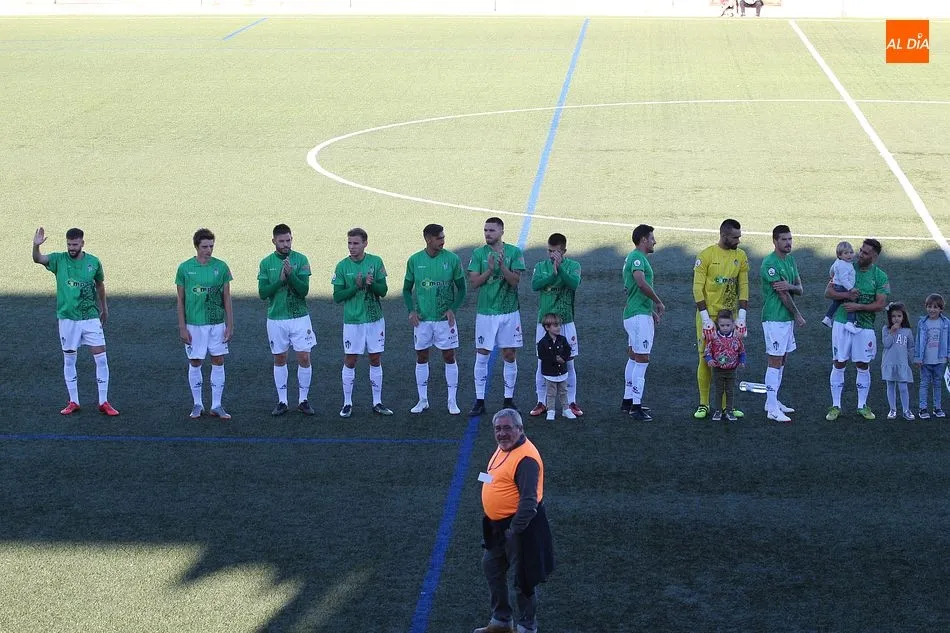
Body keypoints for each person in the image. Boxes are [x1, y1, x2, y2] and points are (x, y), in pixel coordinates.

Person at [474, 408, 554, 633]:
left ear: (520, 429)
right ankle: (501, 621)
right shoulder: (504, 448)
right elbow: (498, 475)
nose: (502, 433)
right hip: (497, 527)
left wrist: (513, 530)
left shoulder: (526, 458)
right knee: (491, 567)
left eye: (507, 428)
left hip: (519, 529)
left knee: (523, 580)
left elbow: (529, 503)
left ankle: (527, 627)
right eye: (498, 429)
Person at [32, 227, 119, 416]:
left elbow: (100, 284)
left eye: (75, 244)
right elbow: (38, 259)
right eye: (69, 244)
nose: (72, 248)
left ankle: (103, 401)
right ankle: (73, 401)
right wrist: (36, 246)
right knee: (69, 358)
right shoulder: (59, 260)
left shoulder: (94, 262)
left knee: (101, 357)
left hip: (90, 317)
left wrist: (104, 307)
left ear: (82, 244)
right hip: (67, 319)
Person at [403, 223, 467, 415]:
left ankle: (452, 401)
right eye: (439, 238)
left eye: (443, 237)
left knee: (449, 356)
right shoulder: (414, 260)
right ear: (428, 239)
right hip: (422, 321)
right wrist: (411, 311)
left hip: (443, 321)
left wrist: (452, 309)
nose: (443, 241)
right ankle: (422, 400)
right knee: (421, 357)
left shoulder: (452, 259)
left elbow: (462, 288)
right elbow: (406, 289)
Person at [824, 238, 890, 421]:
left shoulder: (880, 276)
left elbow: (880, 304)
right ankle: (835, 405)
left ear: (874, 256)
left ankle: (862, 405)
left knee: (863, 364)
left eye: (865, 253)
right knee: (839, 362)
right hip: (841, 324)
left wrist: (857, 307)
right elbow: (828, 292)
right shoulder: (845, 266)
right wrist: (846, 295)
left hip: (865, 327)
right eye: (860, 250)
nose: (860, 254)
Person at [468, 217, 526, 416]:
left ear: (502, 231)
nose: (487, 234)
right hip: (486, 313)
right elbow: (474, 282)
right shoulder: (478, 254)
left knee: (509, 354)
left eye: (491, 230)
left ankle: (508, 399)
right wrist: (490, 270)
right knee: (482, 354)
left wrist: (501, 268)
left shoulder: (514, 252)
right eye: (485, 230)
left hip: (509, 312)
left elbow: (515, 281)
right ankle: (479, 400)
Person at [332, 227, 392, 417]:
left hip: (375, 320)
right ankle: (347, 403)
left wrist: (371, 284)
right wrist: (355, 287)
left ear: (365, 243)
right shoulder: (342, 266)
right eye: (349, 243)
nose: (352, 247)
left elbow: (383, 291)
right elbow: (337, 296)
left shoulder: (375, 262)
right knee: (350, 360)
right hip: (353, 321)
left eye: (356, 243)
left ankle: (377, 402)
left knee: (375, 359)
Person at [692, 218, 749, 419]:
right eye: (735, 237)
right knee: (705, 358)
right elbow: (697, 288)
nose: (739, 241)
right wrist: (706, 317)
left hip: (729, 318)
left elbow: (744, 286)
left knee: (730, 357)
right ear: (724, 235)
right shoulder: (706, 256)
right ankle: (703, 404)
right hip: (708, 316)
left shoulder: (740, 256)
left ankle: (727, 408)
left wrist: (741, 316)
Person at [175, 228, 234, 420]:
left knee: (218, 360)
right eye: (205, 247)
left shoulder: (222, 267)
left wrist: (230, 325)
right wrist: (182, 327)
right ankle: (197, 403)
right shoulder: (185, 268)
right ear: (196, 246)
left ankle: (216, 405)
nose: (209, 250)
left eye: (211, 246)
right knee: (196, 361)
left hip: (217, 323)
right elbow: (180, 300)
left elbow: (227, 298)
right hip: (194, 324)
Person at [258, 224, 316, 417]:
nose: (285, 244)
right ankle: (282, 400)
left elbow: (304, 291)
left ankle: (303, 400)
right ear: (273, 241)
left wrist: (291, 276)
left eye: (288, 240)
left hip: (300, 317)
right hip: (276, 318)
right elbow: (263, 293)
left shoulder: (301, 260)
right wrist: (281, 280)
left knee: (304, 357)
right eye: (281, 241)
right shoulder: (266, 263)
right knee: (279, 358)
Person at [529, 233, 583, 419]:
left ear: (564, 251)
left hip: (566, 322)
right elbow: (535, 285)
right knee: (541, 362)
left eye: (556, 251)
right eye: (550, 251)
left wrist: (559, 270)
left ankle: (571, 402)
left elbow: (574, 284)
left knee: (569, 362)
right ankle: (542, 402)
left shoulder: (574, 266)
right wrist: (553, 271)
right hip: (544, 324)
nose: (553, 255)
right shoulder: (540, 267)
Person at [760, 225, 806, 423]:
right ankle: (771, 409)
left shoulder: (791, 259)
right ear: (774, 241)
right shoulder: (770, 264)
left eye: (790, 239)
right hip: (775, 319)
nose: (788, 243)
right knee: (775, 361)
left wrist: (790, 285)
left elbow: (799, 289)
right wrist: (797, 315)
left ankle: (773, 401)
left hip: (784, 320)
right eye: (784, 239)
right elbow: (783, 294)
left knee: (782, 360)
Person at [622, 224, 665, 422]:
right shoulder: (637, 258)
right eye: (652, 238)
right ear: (643, 240)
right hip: (638, 316)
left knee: (633, 357)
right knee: (642, 359)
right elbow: (640, 282)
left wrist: (650, 311)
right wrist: (657, 301)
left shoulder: (633, 257)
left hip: (636, 313)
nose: (654, 241)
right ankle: (636, 406)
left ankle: (628, 401)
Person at [703, 310, 746, 421]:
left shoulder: (737, 338)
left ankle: (729, 410)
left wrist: (742, 361)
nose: (725, 328)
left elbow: (742, 351)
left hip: (732, 370)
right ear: (718, 325)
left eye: (728, 325)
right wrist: (709, 360)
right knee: (719, 391)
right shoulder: (713, 338)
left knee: (730, 391)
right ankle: (718, 411)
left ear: (733, 324)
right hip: (718, 370)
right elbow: (707, 352)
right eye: (722, 325)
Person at [913, 293, 950, 419]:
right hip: (926, 360)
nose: (931, 309)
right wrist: (918, 357)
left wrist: (948, 355)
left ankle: (937, 408)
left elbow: (949, 340)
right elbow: (918, 340)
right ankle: (923, 409)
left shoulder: (945, 323)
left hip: (940, 359)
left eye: (935, 307)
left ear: (941, 309)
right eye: (929, 306)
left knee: (937, 383)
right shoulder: (922, 323)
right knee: (924, 383)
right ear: (926, 307)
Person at [536, 313, 575, 421]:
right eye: (556, 326)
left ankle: (566, 409)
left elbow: (568, 350)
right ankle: (551, 410)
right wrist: (555, 359)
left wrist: (563, 358)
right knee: (551, 393)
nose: (559, 328)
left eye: (559, 325)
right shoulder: (542, 342)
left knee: (563, 391)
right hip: (550, 373)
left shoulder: (562, 339)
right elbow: (542, 355)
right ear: (547, 327)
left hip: (562, 371)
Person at [882, 302, 915, 420]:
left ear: (903, 317)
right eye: (893, 316)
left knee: (903, 387)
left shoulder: (907, 331)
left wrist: (914, 360)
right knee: (890, 386)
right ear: (890, 317)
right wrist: (891, 332)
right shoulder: (886, 329)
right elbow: (886, 344)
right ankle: (892, 409)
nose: (896, 319)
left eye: (899, 316)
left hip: (902, 364)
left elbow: (911, 347)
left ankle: (906, 410)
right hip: (889, 363)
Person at [821, 241, 858, 332]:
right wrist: (851, 289)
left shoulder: (838, 262)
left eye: (851, 252)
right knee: (852, 302)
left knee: (836, 303)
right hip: (843, 287)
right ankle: (850, 322)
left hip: (837, 286)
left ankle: (828, 318)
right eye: (846, 253)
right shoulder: (845, 266)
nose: (849, 255)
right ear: (840, 255)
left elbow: (831, 269)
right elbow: (844, 280)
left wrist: (832, 276)